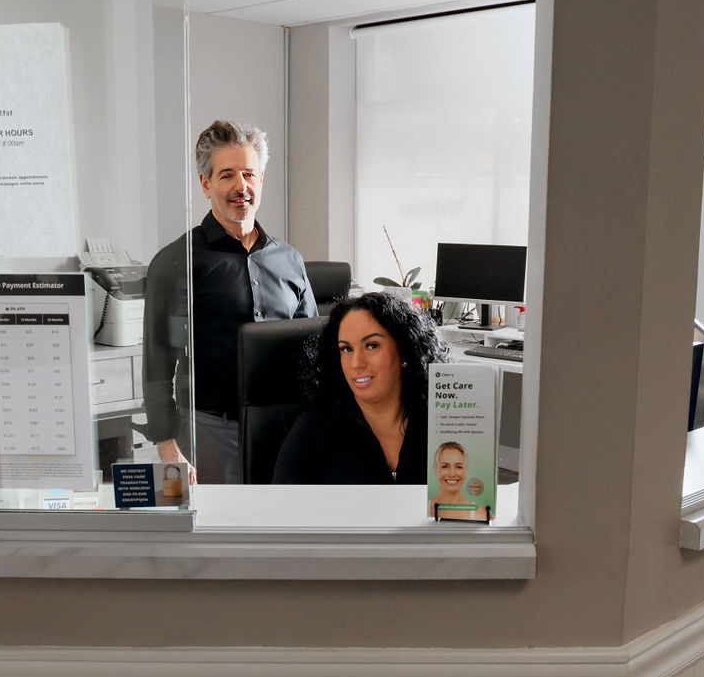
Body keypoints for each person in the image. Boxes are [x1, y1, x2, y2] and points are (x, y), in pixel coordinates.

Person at [142, 119, 316, 483]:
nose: (242, 187)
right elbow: (157, 363)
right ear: (206, 184)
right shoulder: (178, 261)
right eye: (227, 175)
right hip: (209, 432)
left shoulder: (289, 260)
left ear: (261, 178)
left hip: (284, 429)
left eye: (250, 174)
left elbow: (314, 351)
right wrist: (168, 448)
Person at [273, 291, 448, 484]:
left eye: (372, 346)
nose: (356, 363)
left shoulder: (442, 421)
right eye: (346, 349)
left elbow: (473, 500)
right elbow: (283, 510)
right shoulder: (312, 430)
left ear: (404, 351)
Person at [428, 440, 488, 520]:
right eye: (445, 466)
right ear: (435, 469)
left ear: (465, 469)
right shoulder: (424, 509)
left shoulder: (481, 513)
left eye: (458, 467)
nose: (452, 474)